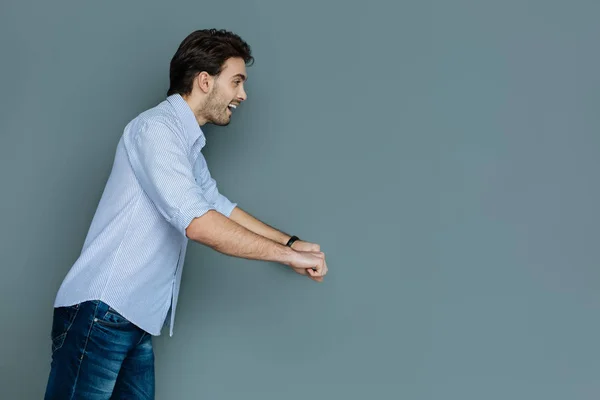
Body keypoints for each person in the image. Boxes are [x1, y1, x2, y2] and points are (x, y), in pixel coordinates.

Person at [44, 28, 328, 400]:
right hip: (101, 313)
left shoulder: (185, 143)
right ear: (205, 81)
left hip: (133, 320)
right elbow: (199, 224)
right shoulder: (156, 130)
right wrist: (288, 255)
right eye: (237, 81)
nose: (242, 95)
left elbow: (217, 205)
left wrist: (290, 241)